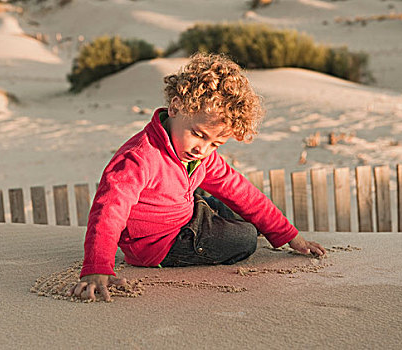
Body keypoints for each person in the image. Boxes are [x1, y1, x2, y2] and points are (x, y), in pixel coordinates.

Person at [67, 53, 326, 302]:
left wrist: (290, 235)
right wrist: (97, 267)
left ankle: (242, 224)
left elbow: (239, 190)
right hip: (160, 244)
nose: (202, 149)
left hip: (186, 212)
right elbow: (108, 211)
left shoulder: (199, 156)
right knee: (245, 238)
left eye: (216, 143)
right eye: (199, 134)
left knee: (235, 207)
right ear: (176, 107)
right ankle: (237, 229)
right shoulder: (139, 158)